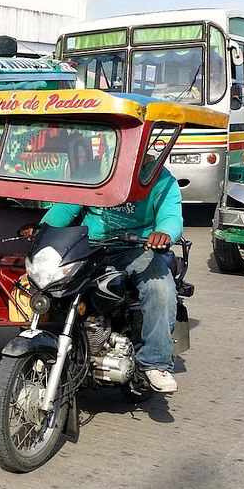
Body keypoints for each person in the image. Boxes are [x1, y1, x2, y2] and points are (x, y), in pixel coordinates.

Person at [20, 162, 183, 393]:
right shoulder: (97, 172)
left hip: (137, 249)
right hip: (91, 246)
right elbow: (67, 208)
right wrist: (43, 229)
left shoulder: (161, 179)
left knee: (159, 288)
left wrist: (164, 233)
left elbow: (171, 215)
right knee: (52, 280)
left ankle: (156, 362)